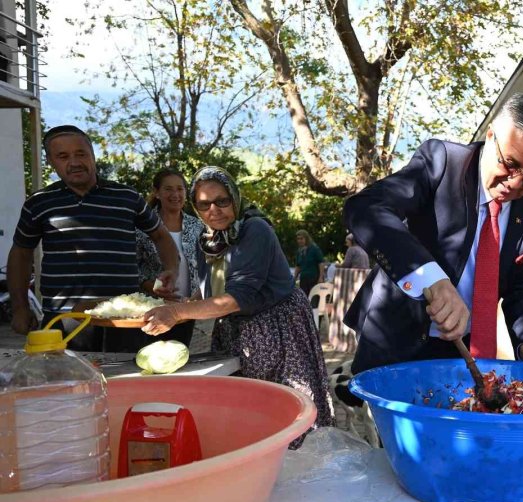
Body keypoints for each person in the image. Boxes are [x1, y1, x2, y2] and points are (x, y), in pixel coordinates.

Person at [343, 92, 523, 373]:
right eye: (510, 164)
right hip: (396, 335)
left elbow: (522, 283)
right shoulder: (442, 162)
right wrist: (432, 278)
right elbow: (366, 208)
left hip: (460, 349)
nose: (515, 183)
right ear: (491, 136)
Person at [141, 167, 335, 440]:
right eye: (204, 204)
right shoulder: (207, 238)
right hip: (234, 327)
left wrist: (176, 312)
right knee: (244, 409)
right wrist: (187, 302)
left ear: (234, 197)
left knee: (282, 408)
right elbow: (211, 285)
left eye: (222, 201)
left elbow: (238, 297)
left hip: (276, 326)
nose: (214, 210)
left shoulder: (254, 230)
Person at [7, 125, 179, 352]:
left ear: (92, 155)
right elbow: (20, 253)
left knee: (127, 383)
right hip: (65, 319)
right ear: (50, 162)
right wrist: (20, 308)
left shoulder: (127, 197)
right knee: (67, 384)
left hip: (124, 316)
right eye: (63, 156)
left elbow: (160, 235)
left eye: (81, 154)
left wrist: (171, 270)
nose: (74, 162)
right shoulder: (38, 203)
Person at [136, 168, 204, 346]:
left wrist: (197, 298)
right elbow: (131, 268)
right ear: (157, 193)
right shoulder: (143, 228)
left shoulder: (198, 226)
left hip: (186, 310)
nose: (175, 194)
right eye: (168, 189)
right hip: (152, 311)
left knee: (180, 356)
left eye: (180, 189)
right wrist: (150, 286)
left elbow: (208, 266)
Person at [294, 230, 325, 295]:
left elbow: (321, 263)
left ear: (306, 238)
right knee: (304, 298)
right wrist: (294, 278)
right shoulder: (299, 251)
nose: (299, 241)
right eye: (298, 239)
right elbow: (298, 266)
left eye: (301, 239)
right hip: (303, 278)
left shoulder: (314, 249)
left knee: (313, 298)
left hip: (314, 278)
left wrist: (321, 277)